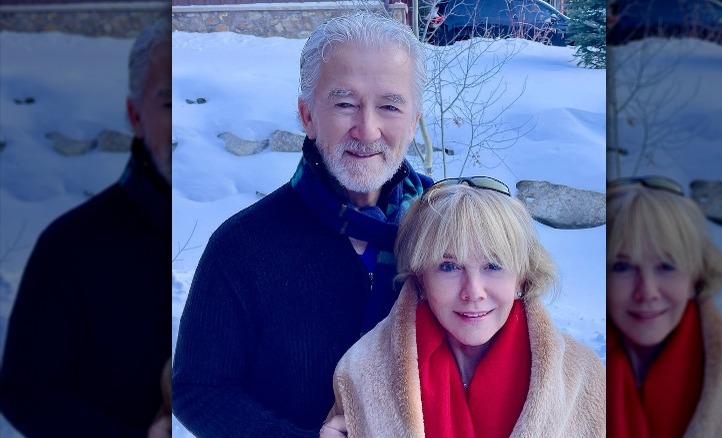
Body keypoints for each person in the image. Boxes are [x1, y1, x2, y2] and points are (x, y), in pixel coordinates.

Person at [172, 12, 433, 436]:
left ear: (413, 119)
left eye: (389, 105)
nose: (367, 130)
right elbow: (197, 388)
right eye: (344, 103)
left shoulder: (448, 230)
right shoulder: (244, 247)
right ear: (307, 115)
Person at [322, 177, 606, 437]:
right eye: (448, 266)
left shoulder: (584, 378)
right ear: (421, 277)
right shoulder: (362, 371)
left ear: (522, 276)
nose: (473, 292)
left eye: (493, 265)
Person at [0, 17, 172, 437]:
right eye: (169, 103)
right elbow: (25, 391)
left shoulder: (246, 236)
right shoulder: (71, 247)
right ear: (135, 114)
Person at [605, 176, 722, 438]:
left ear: (696, 275)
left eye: (667, 265)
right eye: (623, 267)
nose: (647, 292)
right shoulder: (576, 372)